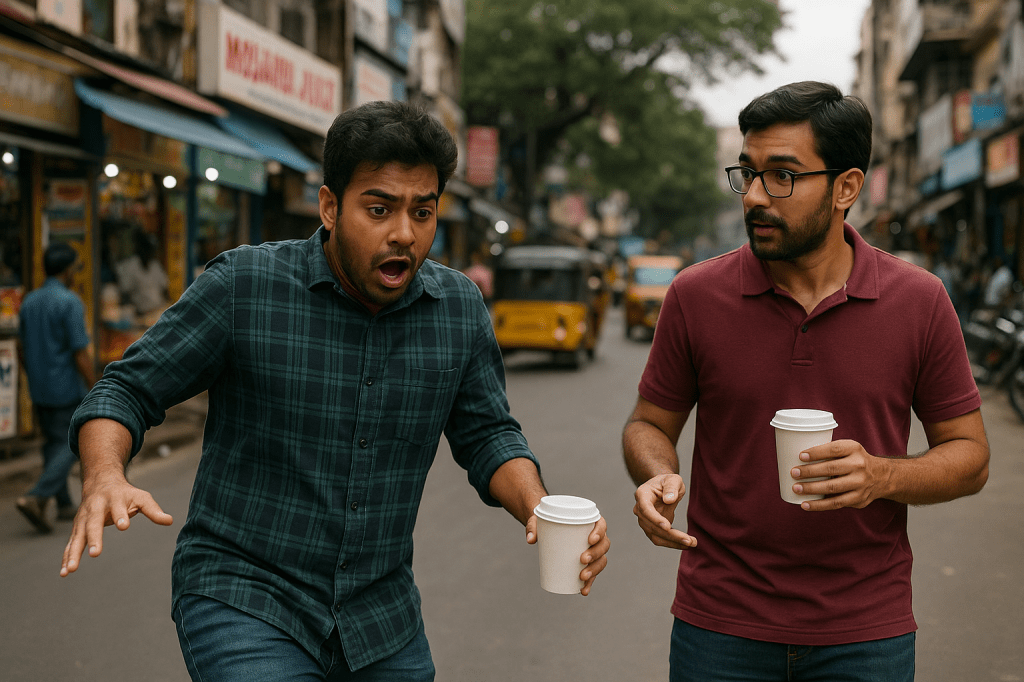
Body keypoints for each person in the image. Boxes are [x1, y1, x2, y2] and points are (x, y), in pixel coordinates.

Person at [59, 100, 609, 681]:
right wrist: (104, 475)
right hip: (244, 597)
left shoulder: (459, 310)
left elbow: (488, 434)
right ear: (329, 206)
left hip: (381, 617)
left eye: (423, 212)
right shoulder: (245, 286)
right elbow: (124, 390)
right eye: (379, 209)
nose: (404, 233)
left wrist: (540, 509)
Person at [622, 81, 988, 681]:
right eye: (748, 174)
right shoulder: (695, 295)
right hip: (720, 625)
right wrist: (658, 474)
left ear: (846, 187)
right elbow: (648, 424)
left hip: (867, 632)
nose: (756, 198)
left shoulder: (919, 301)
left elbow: (970, 457)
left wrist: (881, 475)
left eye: (783, 176)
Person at [16, 242, 96, 532]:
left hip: (39, 387)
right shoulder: (70, 302)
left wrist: (34, 376)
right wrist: (96, 384)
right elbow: (80, 352)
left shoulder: (29, 301)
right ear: (67, 270)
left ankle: (63, 504)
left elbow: (21, 349)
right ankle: (37, 496)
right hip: (65, 387)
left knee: (52, 443)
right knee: (72, 442)